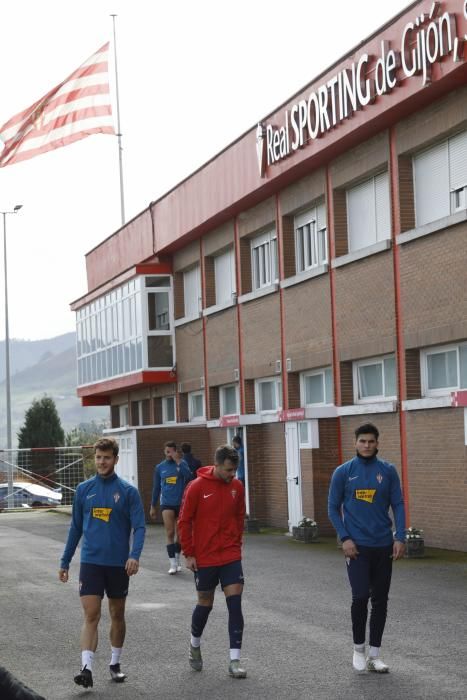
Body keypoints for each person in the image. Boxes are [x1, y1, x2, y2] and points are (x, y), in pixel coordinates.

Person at [58, 437, 146, 689]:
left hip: (118, 565)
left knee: (117, 614)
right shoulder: (84, 490)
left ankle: (115, 663)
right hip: (91, 563)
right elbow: (75, 528)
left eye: (106, 457)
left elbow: (139, 527)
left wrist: (134, 555)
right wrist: (65, 561)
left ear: (115, 460)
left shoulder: (128, 492)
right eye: (98, 457)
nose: (102, 461)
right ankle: (86, 669)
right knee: (91, 614)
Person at [328, 423, 406, 674]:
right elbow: (332, 508)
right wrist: (345, 538)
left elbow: (399, 504)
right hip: (357, 547)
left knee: (380, 600)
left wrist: (400, 537)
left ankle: (375, 654)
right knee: (360, 597)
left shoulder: (388, 471)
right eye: (363, 441)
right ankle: (358, 649)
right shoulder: (343, 472)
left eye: (371, 441)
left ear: (377, 443)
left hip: (383, 545)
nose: (367, 445)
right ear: (355, 442)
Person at [178, 444, 247, 679]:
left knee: (235, 603)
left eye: (235, 471)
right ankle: (194, 644)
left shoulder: (237, 487)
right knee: (205, 604)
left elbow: (239, 516)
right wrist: (189, 553)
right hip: (205, 556)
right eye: (228, 470)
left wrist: (236, 543)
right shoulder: (196, 487)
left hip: (229, 554)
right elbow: (184, 521)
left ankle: (235, 660)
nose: (232, 475)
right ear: (216, 465)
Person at [150, 441, 193, 575]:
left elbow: (190, 477)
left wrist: (178, 461)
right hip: (166, 503)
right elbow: (156, 487)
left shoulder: (182, 464)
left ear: (175, 451)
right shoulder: (160, 467)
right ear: (164, 451)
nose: (169, 454)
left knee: (179, 535)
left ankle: (177, 558)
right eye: (167, 451)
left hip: (180, 504)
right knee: (169, 533)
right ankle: (172, 563)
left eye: (171, 451)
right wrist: (153, 506)